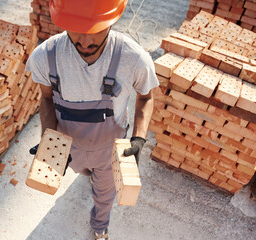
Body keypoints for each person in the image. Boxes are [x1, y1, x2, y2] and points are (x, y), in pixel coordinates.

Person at [26, 0, 159, 239]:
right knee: (85, 173)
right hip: (69, 147)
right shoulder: (45, 57)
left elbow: (146, 98)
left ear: (112, 19)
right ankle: (87, 172)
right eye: (76, 28)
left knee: (104, 194)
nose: (85, 42)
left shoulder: (133, 58)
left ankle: (99, 228)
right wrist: (50, 138)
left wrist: (139, 138)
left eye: (95, 30)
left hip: (109, 151)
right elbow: (46, 99)